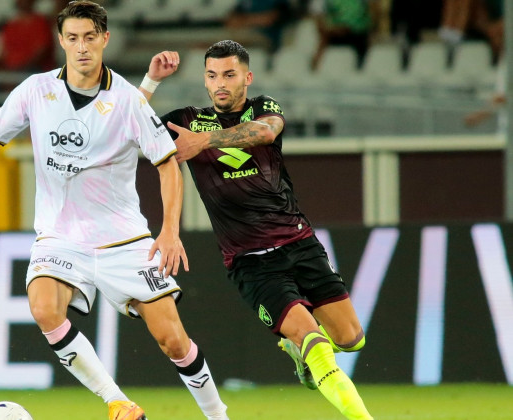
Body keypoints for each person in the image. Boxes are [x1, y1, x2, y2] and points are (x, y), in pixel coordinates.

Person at [0, 2, 229, 420]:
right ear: (60, 41)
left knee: (173, 341)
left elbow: (168, 165)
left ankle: (219, 416)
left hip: (123, 237)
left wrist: (169, 231)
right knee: (45, 309)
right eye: (72, 38)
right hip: (60, 237)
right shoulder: (34, 90)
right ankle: (118, 402)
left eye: (89, 37)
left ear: (104, 38)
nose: (81, 47)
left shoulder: (129, 101)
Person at [138, 40, 373, 419]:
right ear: (204, 80)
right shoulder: (186, 120)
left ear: (246, 77)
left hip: (299, 241)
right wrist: (150, 81)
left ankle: (300, 352)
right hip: (251, 261)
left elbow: (265, 132)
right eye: (213, 76)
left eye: (229, 75)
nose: (220, 84)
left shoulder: (263, 107)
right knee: (315, 341)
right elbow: (122, 124)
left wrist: (206, 142)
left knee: (350, 338)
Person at [308, 0, 380, 69]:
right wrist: (334, 29)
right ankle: (316, 66)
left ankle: (361, 67)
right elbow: (319, 20)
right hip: (334, 32)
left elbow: (373, 13)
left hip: (359, 33)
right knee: (324, 39)